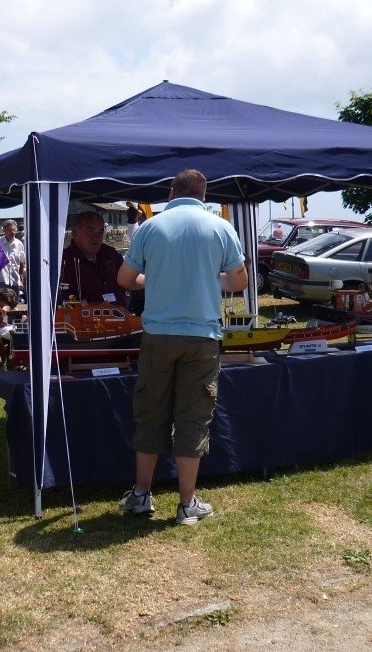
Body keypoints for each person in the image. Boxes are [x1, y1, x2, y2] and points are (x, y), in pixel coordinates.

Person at [116, 169, 248, 525]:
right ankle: (187, 503)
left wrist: (154, 276)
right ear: (204, 195)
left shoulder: (150, 227)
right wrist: (209, 276)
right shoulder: (221, 228)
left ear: (171, 191)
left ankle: (142, 494)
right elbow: (239, 280)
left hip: (158, 334)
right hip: (202, 336)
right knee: (193, 417)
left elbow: (126, 280)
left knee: (151, 412)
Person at [59, 210, 129, 307]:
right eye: (90, 231)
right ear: (75, 232)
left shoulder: (110, 254)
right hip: (88, 320)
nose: (97, 237)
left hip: (122, 317)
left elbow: (128, 277)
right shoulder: (64, 262)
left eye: (101, 232)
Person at [0, 220, 26, 299]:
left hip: (14, 280)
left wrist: (21, 278)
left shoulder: (19, 244)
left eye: (13, 230)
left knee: (13, 305)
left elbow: (22, 262)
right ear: (4, 230)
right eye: (9, 230)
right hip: (0, 280)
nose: (11, 232)